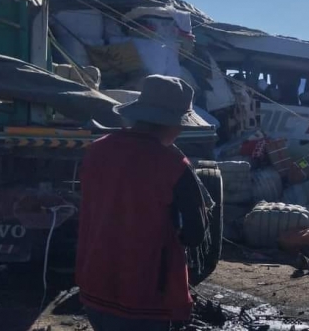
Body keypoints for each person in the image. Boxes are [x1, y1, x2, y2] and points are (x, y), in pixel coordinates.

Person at [76, 75, 212, 331]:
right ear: (174, 124)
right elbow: (195, 233)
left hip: (95, 281)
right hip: (147, 293)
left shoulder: (96, 150)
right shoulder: (174, 165)